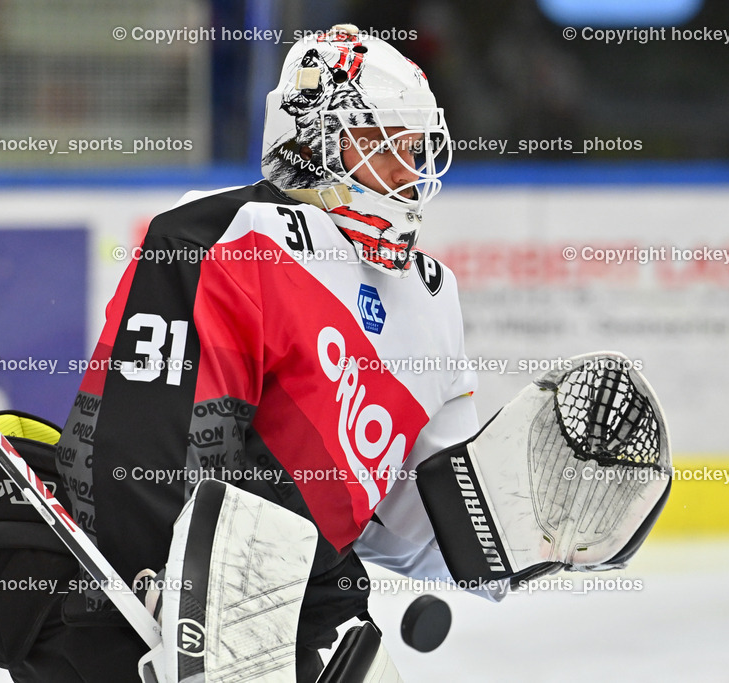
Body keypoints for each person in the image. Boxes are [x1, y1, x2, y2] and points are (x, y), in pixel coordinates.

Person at [30, 23, 474, 682]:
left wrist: (534, 533)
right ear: (316, 140)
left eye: (414, 149)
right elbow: (141, 449)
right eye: (383, 145)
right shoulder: (225, 237)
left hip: (299, 615)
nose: (407, 174)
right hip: (178, 624)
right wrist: (176, 595)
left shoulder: (432, 298)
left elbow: (418, 523)